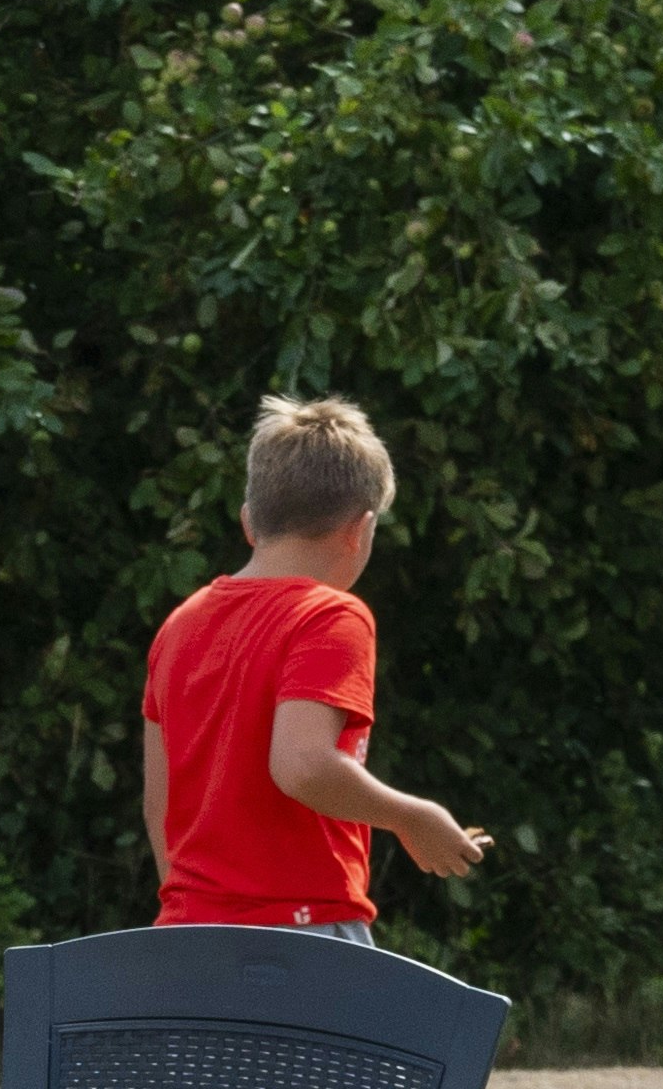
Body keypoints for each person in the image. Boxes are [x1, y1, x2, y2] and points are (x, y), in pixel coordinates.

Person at [142, 395, 485, 942]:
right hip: (304, 936)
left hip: (189, 935)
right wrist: (411, 818)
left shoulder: (181, 624)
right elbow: (302, 765)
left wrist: (202, 921)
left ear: (249, 523)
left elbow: (160, 802)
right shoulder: (330, 615)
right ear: (361, 529)